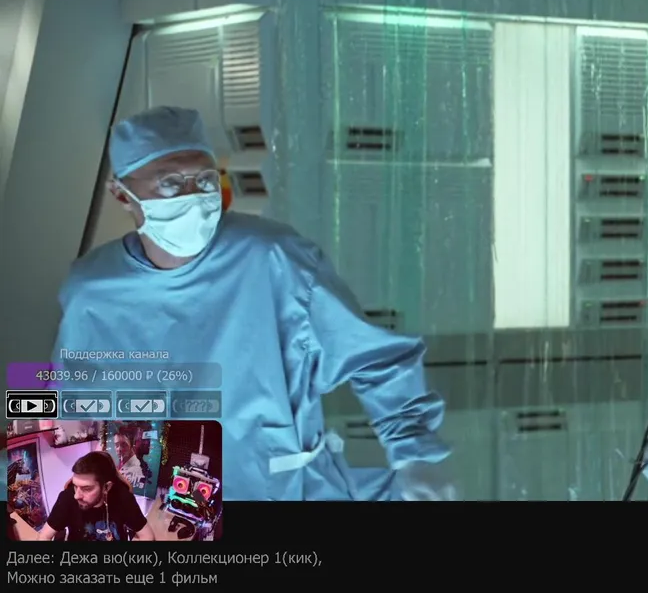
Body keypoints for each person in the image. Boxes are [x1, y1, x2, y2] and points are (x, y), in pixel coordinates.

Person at [52, 106, 456, 502]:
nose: (194, 196)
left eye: (205, 179)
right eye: (171, 183)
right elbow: (72, 414)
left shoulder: (273, 259)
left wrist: (414, 455)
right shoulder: (93, 291)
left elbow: (375, 358)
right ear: (121, 194)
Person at [39, 451, 155, 541]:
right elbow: (44, 536)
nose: (77, 496)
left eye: (86, 488)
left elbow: (147, 536)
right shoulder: (67, 498)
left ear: (106, 487)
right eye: (75, 486)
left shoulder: (123, 497)